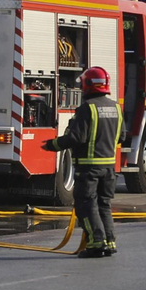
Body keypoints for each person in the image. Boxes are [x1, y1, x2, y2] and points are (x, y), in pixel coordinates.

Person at [43, 65, 122, 258]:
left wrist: (52, 145)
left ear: (87, 85)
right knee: (103, 204)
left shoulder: (87, 108)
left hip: (88, 168)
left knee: (85, 205)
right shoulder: (115, 108)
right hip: (109, 168)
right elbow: (121, 137)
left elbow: (75, 138)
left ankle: (96, 243)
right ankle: (109, 242)